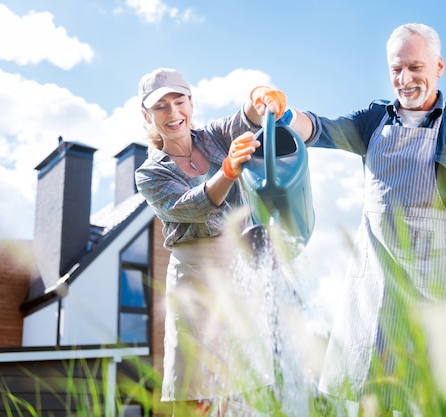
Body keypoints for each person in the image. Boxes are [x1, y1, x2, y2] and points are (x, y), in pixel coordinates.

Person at [296, 23, 446, 415]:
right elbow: (322, 130)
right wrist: (284, 115)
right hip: (375, 274)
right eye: (396, 69)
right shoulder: (373, 120)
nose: (405, 78)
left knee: (434, 395)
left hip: (435, 276)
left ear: (439, 65)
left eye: (415, 66)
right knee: (372, 393)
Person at [134, 68, 317, 416]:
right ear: (147, 116)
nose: (173, 114)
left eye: (179, 101)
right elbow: (189, 207)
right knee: (198, 392)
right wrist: (228, 171)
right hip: (197, 281)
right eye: (161, 107)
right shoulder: (149, 173)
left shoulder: (215, 137)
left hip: (242, 269)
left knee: (247, 386)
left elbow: (247, 115)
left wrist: (262, 96)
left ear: (191, 102)